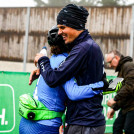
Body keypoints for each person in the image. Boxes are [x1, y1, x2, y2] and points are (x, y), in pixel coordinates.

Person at [30, 4, 106, 134]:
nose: (60, 32)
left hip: (84, 123)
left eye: (62, 27)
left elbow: (54, 79)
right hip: (83, 121)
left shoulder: (83, 48)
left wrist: (42, 59)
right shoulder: (87, 46)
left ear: (74, 25)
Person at [105, 50, 134, 134]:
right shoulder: (120, 72)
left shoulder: (128, 66)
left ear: (116, 58)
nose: (110, 65)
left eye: (110, 62)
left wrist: (114, 99)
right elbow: (123, 92)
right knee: (117, 127)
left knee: (129, 129)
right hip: (127, 106)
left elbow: (130, 86)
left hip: (132, 106)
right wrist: (114, 107)